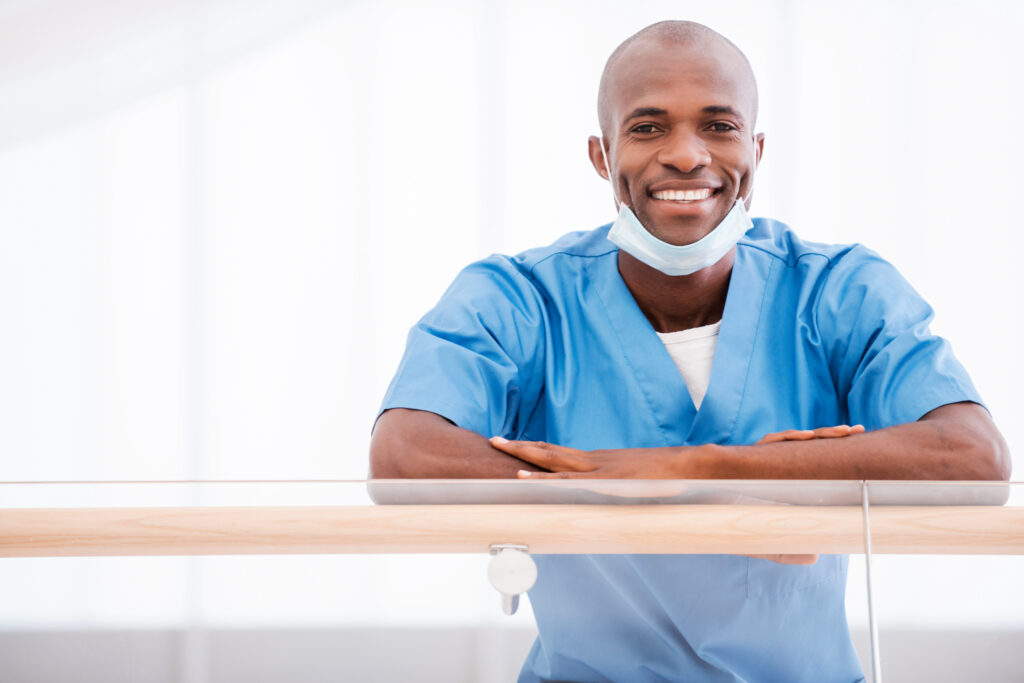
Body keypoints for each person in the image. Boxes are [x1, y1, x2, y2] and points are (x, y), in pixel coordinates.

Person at [369, 20, 1010, 682]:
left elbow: (973, 458)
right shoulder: (522, 298)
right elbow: (403, 454)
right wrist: (782, 478)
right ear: (601, 154)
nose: (685, 154)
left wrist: (692, 466)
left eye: (718, 126)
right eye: (648, 127)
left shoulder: (837, 291)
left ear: (756, 149)